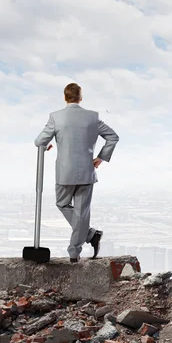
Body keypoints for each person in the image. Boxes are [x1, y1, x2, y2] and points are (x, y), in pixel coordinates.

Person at [34, 83, 119, 262]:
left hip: (65, 172)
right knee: (82, 212)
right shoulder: (92, 117)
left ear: (65, 98)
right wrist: (101, 157)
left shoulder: (56, 117)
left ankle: (79, 247)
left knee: (63, 204)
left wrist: (47, 145)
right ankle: (84, 241)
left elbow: (39, 141)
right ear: (81, 98)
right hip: (87, 171)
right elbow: (113, 136)